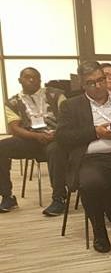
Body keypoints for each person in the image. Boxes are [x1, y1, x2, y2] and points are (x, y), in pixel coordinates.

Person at [56, 61, 111, 253]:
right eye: (91, 83)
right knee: (91, 183)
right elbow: (62, 137)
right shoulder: (71, 106)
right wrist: (95, 132)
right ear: (82, 84)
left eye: (101, 80)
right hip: (93, 160)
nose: (98, 86)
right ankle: (100, 232)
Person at [0, 67, 69, 216]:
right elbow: (14, 128)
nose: (32, 80)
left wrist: (56, 134)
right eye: (27, 77)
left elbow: (68, 119)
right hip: (30, 139)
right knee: (1, 147)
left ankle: (59, 198)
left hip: (55, 138)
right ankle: (7, 196)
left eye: (35, 77)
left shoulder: (56, 95)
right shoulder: (12, 102)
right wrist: (36, 136)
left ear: (40, 79)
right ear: (20, 80)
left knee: (56, 150)